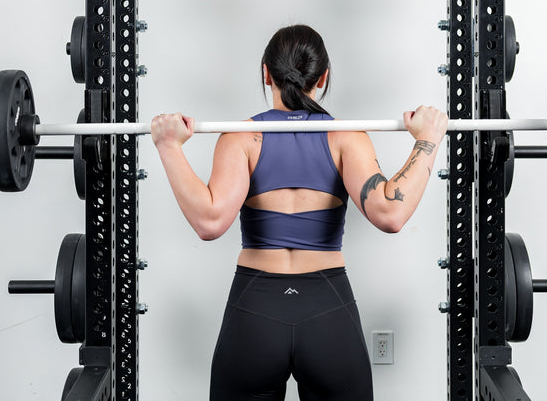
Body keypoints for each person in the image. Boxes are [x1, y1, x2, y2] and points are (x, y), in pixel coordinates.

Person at [151, 24, 448, 401]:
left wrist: (168, 146)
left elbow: (210, 221)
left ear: (265, 73)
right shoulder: (346, 137)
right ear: (322, 77)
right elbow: (390, 213)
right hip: (327, 311)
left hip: (255, 311)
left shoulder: (240, 138)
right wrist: (428, 138)